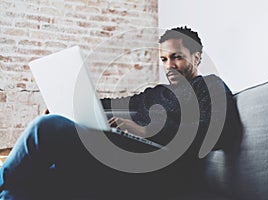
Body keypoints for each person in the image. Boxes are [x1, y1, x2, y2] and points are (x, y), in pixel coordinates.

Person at [0, 27, 240, 200]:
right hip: (124, 159)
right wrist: (67, 107)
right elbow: (115, 104)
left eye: (177, 57)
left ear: (196, 57)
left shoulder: (210, 86)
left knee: (46, 128)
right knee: (33, 183)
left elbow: (221, 130)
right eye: (164, 59)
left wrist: (147, 130)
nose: (169, 66)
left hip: (162, 170)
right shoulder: (156, 93)